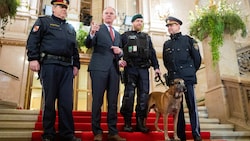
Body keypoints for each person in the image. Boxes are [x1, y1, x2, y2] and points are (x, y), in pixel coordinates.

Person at [26, 0, 81, 141]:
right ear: (54, 8)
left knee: (66, 102)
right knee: (49, 101)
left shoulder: (70, 28)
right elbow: (33, 40)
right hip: (50, 65)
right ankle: (49, 134)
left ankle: (67, 133)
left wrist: (76, 65)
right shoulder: (44, 22)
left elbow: (75, 49)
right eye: (61, 7)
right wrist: (33, 58)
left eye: (66, 7)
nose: (64, 9)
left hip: (66, 68)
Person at [84, 7, 126, 141]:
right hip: (98, 69)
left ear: (115, 17)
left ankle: (113, 132)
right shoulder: (97, 29)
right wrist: (91, 32)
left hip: (114, 70)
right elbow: (88, 44)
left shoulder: (118, 34)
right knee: (97, 101)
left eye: (111, 13)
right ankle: (97, 132)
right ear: (102, 16)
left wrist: (120, 55)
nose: (109, 15)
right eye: (106, 13)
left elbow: (120, 53)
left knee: (113, 102)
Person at [162, 16, 202, 141]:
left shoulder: (189, 41)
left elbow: (197, 59)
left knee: (192, 106)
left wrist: (189, 72)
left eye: (172, 25)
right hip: (174, 80)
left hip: (188, 79)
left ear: (178, 26)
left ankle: (196, 133)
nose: (170, 28)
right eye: (168, 26)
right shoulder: (166, 44)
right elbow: (166, 62)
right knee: (176, 109)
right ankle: (180, 134)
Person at [119, 14, 161, 133]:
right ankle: (127, 122)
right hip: (130, 69)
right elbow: (119, 50)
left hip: (143, 70)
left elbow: (152, 53)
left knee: (143, 97)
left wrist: (157, 67)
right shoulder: (124, 36)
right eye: (137, 21)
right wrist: (120, 60)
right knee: (129, 96)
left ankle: (140, 123)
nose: (140, 23)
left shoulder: (146, 37)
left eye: (142, 21)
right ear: (132, 22)